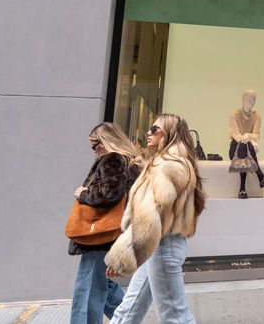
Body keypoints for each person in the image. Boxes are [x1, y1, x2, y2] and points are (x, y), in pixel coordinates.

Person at [105, 114, 207, 323]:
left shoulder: (170, 166)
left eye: (154, 129)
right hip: (156, 244)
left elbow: (151, 216)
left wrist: (122, 255)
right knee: (128, 309)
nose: (148, 133)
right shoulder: (166, 163)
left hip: (162, 244)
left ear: (169, 133)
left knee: (174, 316)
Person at [69, 122, 143, 324]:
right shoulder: (130, 162)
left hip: (100, 234)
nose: (95, 150)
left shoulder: (112, 159)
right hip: (115, 231)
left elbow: (108, 194)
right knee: (105, 286)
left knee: (87, 287)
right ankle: (126, 321)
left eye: (96, 145)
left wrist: (83, 193)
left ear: (105, 142)